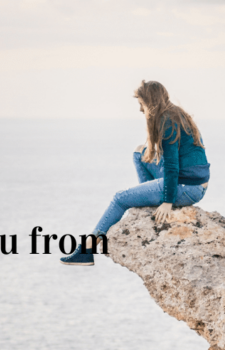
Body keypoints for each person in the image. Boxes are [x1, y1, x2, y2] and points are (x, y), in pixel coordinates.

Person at [60, 80, 210, 266]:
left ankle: (87, 249)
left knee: (119, 198)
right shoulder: (176, 113)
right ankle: (145, 201)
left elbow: (172, 166)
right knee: (140, 152)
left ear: (151, 102)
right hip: (192, 183)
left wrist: (167, 202)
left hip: (187, 187)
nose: (140, 109)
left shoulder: (167, 121)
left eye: (142, 104)